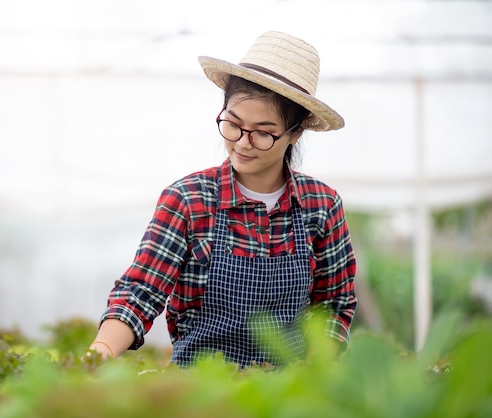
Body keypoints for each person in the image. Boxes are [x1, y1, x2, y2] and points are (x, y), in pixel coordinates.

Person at [87, 31, 357, 368]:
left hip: (289, 393)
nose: (243, 143)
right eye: (233, 124)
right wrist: (99, 353)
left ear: (295, 132)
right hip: (202, 391)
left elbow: (333, 303)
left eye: (262, 132)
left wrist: (317, 371)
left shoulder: (321, 205)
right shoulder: (188, 200)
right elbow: (141, 291)